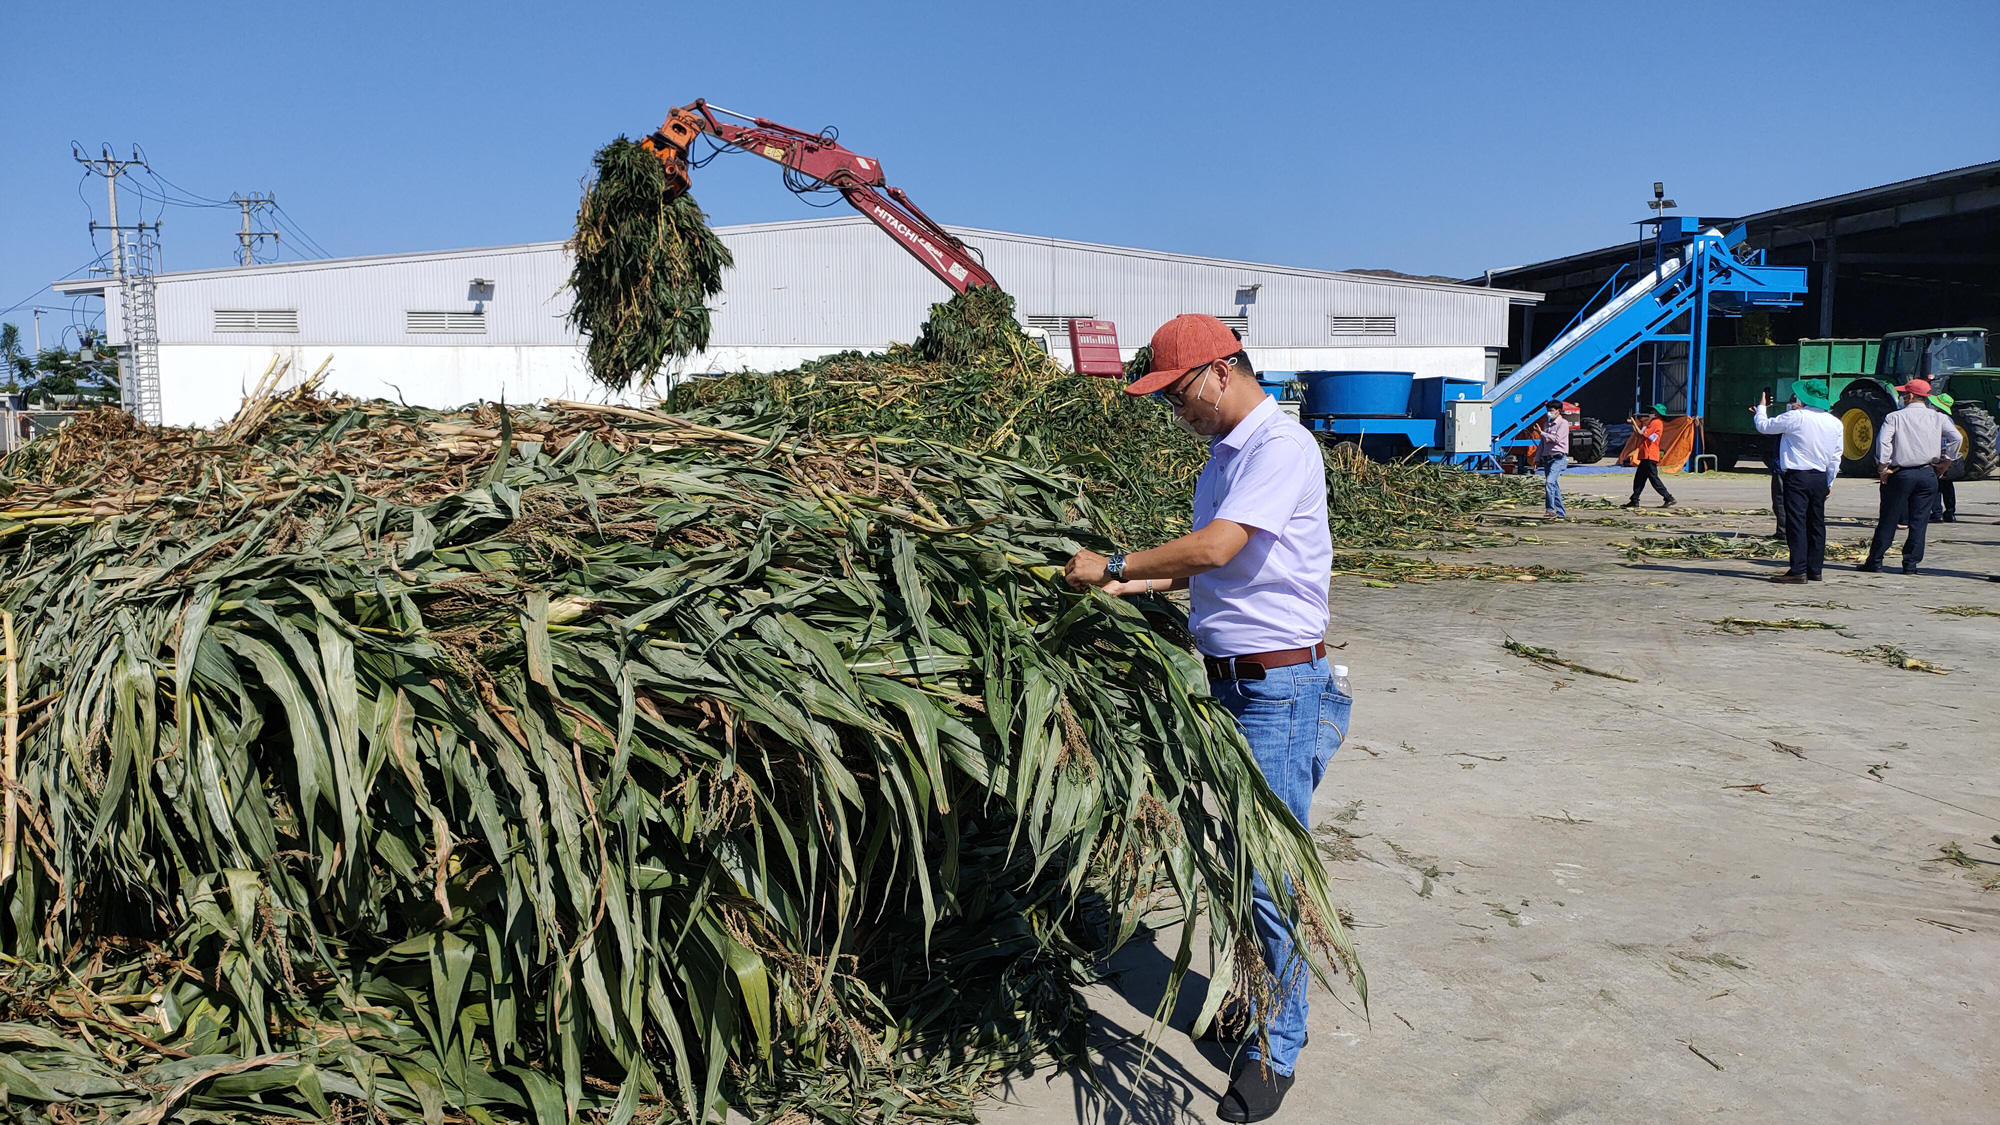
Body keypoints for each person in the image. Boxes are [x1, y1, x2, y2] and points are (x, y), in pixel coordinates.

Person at [1065, 313, 1344, 1123]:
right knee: (1232, 864)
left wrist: (1116, 561)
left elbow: (1218, 548)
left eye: (1180, 394)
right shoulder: (1223, 461)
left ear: (1222, 370)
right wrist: (1134, 587)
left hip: (1278, 692)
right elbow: (1211, 571)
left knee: (1269, 876)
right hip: (1229, 685)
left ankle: (1276, 1047)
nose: (1175, 411)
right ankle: (1255, 998)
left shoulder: (1279, 447)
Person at [1859, 378, 1961, 574]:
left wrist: (1882, 467)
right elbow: (1957, 438)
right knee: (1919, 521)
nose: (1902, 397)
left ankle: (1876, 560)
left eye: (1904, 394)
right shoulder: (1938, 417)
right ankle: (1911, 564)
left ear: (1911, 396)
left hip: (1901, 472)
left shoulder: (1895, 417)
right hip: (1927, 472)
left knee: (1888, 518)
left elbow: (1884, 442)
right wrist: (1946, 461)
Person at [1752, 380, 1842, 582]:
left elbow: (1763, 426)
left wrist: (1762, 407)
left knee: (1797, 523)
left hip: (1797, 476)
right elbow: (1837, 455)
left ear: (1804, 398)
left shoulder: (1796, 417)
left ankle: (1798, 569)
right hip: (1820, 476)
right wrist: (1830, 481)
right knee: (1816, 523)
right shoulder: (1835, 422)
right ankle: (1815, 569)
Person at [1622, 404, 1676, 509]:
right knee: (1639, 479)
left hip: (1649, 455)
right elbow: (1639, 434)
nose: (1651, 412)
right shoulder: (1654, 422)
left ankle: (1668, 498)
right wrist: (1633, 424)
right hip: (1647, 455)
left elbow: (1642, 435)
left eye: (1654, 410)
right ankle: (1634, 500)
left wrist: (1634, 423)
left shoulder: (1656, 423)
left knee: (1653, 479)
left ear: (1658, 413)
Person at [1534, 400, 1570, 518]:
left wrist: (1541, 433)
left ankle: (1549, 510)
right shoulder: (1547, 425)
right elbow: (1542, 444)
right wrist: (1537, 458)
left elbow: (1556, 439)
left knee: (1549, 483)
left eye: (1551, 411)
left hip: (1558, 458)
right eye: (1548, 411)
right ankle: (1561, 513)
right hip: (1547, 458)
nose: (1549, 413)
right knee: (1553, 485)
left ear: (1558, 411)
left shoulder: (1563, 424)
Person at [1929, 392, 1958, 523]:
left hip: (1937, 455)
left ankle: (1937, 513)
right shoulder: (1949, 420)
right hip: (1948, 455)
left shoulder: (1936, 418)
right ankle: (1951, 513)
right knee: (1948, 485)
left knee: (1936, 485)